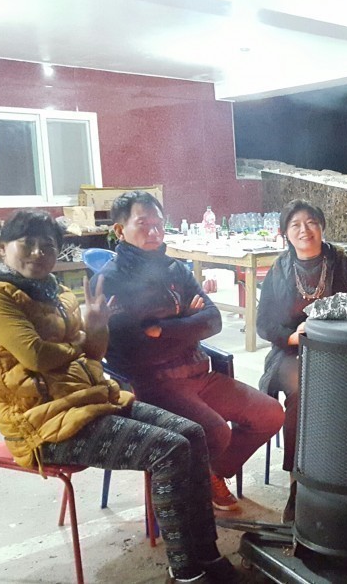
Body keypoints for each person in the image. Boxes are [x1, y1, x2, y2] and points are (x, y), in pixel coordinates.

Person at [0, 211, 240, 583]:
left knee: (193, 433)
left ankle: (206, 552)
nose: (38, 253)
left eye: (48, 245)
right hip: (42, 425)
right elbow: (37, 356)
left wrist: (96, 327)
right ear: (2, 248)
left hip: (89, 402)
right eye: (27, 244)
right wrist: (79, 342)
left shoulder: (56, 293)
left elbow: (93, 353)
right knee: (169, 450)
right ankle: (186, 572)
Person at [95, 191, 284, 513]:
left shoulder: (174, 270)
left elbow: (213, 320)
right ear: (120, 230)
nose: (154, 232)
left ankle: (208, 474)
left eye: (159, 224)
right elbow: (135, 348)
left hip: (199, 373)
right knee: (216, 432)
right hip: (154, 385)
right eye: (143, 224)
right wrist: (186, 319)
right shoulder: (110, 281)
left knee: (270, 414)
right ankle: (194, 485)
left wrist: (165, 326)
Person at [256, 199, 347, 523]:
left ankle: (341, 474)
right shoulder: (279, 269)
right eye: (295, 224)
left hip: (341, 351)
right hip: (292, 352)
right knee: (302, 392)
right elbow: (264, 324)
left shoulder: (344, 262)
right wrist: (292, 337)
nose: (304, 230)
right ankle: (298, 482)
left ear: (322, 226)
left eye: (311, 222)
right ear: (286, 233)